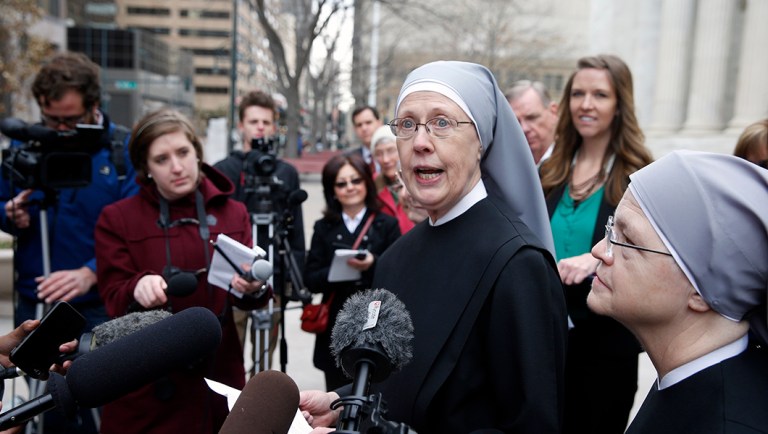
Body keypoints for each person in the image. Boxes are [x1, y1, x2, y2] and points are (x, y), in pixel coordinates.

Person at [300, 61, 567, 433]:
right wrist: (342, 401)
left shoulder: (517, 264)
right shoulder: (396, 257)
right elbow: (404, 377)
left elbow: (531, 426)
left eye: (442, 122)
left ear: (481, 141)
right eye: (407, 124)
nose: (421, 142)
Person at [94, 109, 270, 433]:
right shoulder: (116, 218)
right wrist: (137, 286)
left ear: (197, 153)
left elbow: (251, 294)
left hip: (219, 379)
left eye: (183, 153)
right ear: (145, 168)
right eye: (161, 159)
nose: (176, 167)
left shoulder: (234, 212)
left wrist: (252, 287)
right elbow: (113, 297)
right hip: (145, 386)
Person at [0, 51, 138, 434]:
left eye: (71, 120)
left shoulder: (122, 152)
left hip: (98, 306)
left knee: (101, 408)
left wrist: (91, 273)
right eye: (52, 120)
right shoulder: (27, 148)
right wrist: (8, 213)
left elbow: (137, 230)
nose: (60, 130)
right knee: (46, 410)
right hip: (35, 302)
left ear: (93, 106)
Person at [588, 150, 768, 433]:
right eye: (613, 229)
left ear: (702, 292)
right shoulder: (685, 376)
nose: (599, 251)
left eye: (629, 240)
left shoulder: (729, 424)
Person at [539, 54, 654, 434]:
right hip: (542, 344)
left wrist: (602, 259)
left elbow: (654, 256)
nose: (586, 104)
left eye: (600, 95)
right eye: (578, 93)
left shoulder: (641, 174)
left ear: (620, 104)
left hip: (605, 351)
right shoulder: (549, 171)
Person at [213, 89, 305, 373]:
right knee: (229, 358)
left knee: (265, 364)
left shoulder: (285, 173)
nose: (260, 128)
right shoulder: (223, 170)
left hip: (273, 277)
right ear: (241, 125)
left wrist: (294, 279)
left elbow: (295, 229)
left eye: (266, 122)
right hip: (233, 280)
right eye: (253, 122)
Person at [304, 153, 401, 391]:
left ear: (366, 183)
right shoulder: (323, 227)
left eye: (355, 180)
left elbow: (399, 275)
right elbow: (311, 279)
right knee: (335, 402)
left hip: (376, 322)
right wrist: (337, 271)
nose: (350, 188)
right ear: (332, 190)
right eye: (341, 183)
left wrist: (373, 263)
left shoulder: (387, 224)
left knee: (375, 397)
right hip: (337, 321)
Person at [370, 125, 415, 233]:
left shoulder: (418, 182)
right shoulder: (372, 185)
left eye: (391, 150)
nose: (385, 159)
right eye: (379, 153)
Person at [506, 79, 559, 165]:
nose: (524, 128)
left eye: (532, 118)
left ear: (553, 112)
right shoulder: (504, 166)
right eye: (516, 122)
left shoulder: (576, 162)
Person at [346, 105, 383, 174]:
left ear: (379, 123)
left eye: (368, 122)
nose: (364, 128)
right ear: (354, 129)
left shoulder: (396, 155)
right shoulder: (349, 160)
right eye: (359, 125)